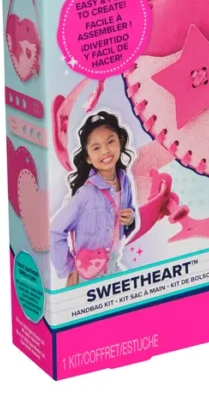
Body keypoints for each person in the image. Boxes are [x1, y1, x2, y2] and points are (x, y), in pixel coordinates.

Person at [50, 111, 136, 286]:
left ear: (120, 141)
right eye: (96, 148)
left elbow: (125, 222)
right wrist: (69, 269)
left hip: (113, 265)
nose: (105, 150)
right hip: (88, 273)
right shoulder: (87, 193)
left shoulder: (125, 181)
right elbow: (55, 231)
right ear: (88, 158)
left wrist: (130, 218)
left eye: (110, 141)